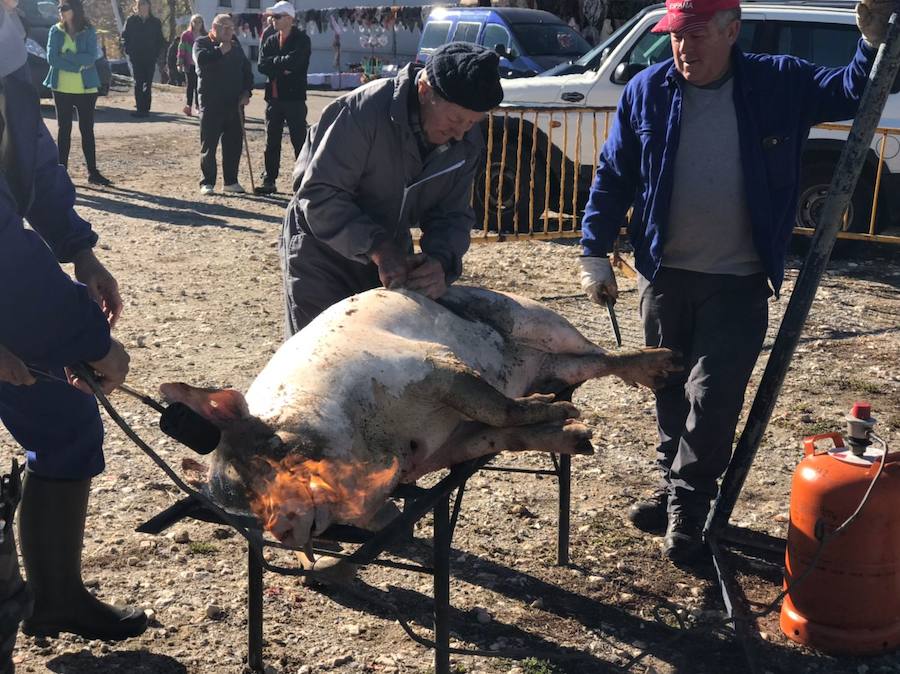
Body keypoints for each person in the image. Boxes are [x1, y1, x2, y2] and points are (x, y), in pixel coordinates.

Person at [578, 0, 894, 564]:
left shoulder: (778, 82)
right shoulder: (649, 89)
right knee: (667, 389)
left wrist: (870, 43)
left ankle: (689, 509)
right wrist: (594, 251)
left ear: (731, 32)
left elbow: (852, 90)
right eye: (676, 37)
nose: (683, 48)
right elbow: (616, 171)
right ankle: (674, 486)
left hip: (739, 279)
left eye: (696, 36)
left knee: (713, 399)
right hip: (666, 275)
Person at [0, 2, 147, 668]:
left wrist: (78, 247)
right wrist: (90, 341)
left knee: (64, 416)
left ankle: (56, 597)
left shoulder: (12, 37)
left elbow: (29, 153)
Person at [281, 42, 504, 335]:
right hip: (322, 249)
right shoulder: (363, 112)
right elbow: (320, 196)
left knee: (383, 354)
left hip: (389, 253)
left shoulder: (466, 141)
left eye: (473, 122)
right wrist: (378, 246)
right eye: (455, 119)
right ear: (425, 91)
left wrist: (441, 261)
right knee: (320, 354)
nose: (461, 132)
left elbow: (452, 215)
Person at [44, 0, 110, 186]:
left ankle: (93, 172)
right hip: (61, 88)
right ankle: (61, 170)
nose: (61, 11)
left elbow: (91, 57)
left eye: (64, 7)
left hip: (86, 88)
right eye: (59, 8)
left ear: (75, 10)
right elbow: (52, 59)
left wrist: (67, 56)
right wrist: (78, 65)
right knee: (63, 129)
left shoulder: (89, 30)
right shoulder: (55, 31)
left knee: (87, 129)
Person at [193, 13, 253, 195]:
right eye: (224, 27)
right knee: (209, 145)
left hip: (234, 104)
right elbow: (201, 63)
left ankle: (231, 181)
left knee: (234, 144)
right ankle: (207, 182)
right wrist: (220, 51)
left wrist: (246, 92)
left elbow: (246, 71)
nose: (229, 31)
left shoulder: (236, 45)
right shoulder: (201, 43)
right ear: (214, 28)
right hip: (211, 103)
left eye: (231, 28)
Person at [255, 1, 311, 195]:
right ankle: (269, 179)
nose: (273, 20)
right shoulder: (270, 39)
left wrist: (275, 64)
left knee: (299, 140)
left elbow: (295, 63)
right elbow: (262, 65)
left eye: (277, 17)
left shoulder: (302, 40)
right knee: (271, 140)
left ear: (289, 18)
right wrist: (282, 66)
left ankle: (305, 180)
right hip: (273, 98)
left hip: (294, 98)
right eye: (272, 16)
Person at [121, 0, 164, 117]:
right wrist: (128, 50)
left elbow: (160, 40)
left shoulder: (155, 22)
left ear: (149, 5)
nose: (144, 6)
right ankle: (140, 108)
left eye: (146, 4)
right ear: (137, 6)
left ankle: (146, 108)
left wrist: (156, 54)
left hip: (150, 57)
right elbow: (124, 37)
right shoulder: (131, 20)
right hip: (136, 57)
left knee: (148, 83)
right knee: (138, 82)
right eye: (141, 4)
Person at [177, 13, 205, 117]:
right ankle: (188, 106)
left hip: (201, 65)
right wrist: (179, 62)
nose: (197, 24)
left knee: (199, 86)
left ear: (202, 23)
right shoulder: (186, 35)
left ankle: (198, 106)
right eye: (195, 22)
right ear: (191, 23)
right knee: (190, 85)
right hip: (189, 64)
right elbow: (181, 49)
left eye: (199, 22)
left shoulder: (205, 36)